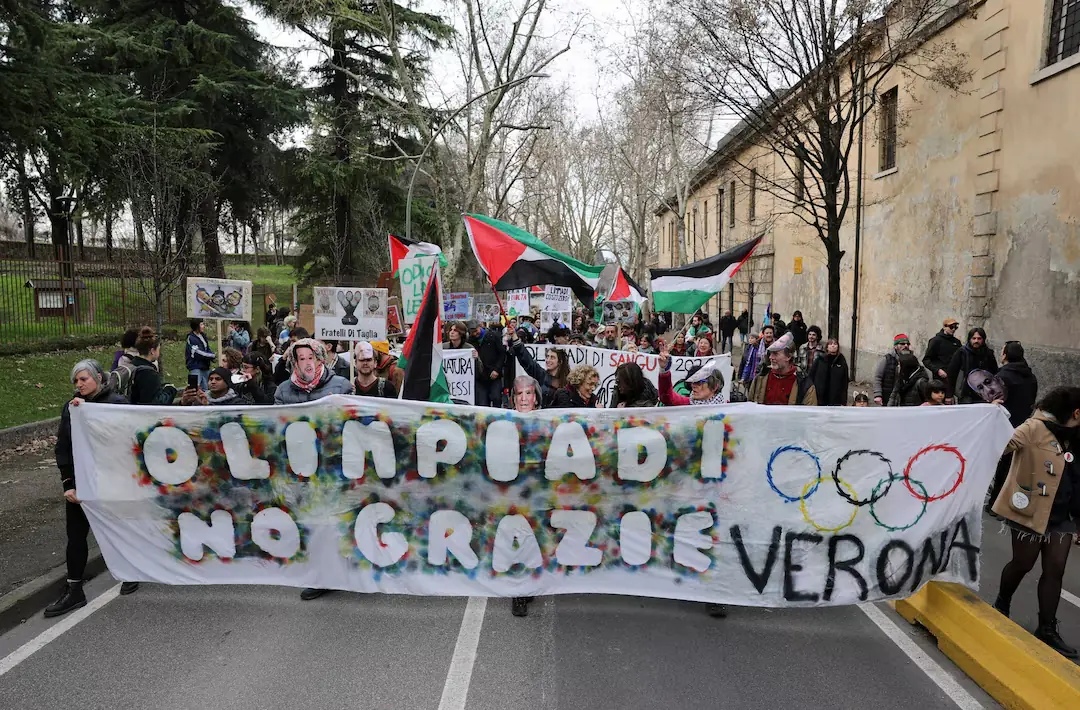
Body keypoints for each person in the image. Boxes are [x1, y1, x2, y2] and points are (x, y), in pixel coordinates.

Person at [990, 386, 1080, 658]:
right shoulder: (1033, 428)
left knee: (1055, 570)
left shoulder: (1077, 437)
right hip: (1030, 510)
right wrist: (992, 418)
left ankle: (1047, 628)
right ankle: (1002, 604)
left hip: (1062, 516)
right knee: (1023, 564)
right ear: (1076, 412)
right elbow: (1000, 446)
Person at [46, 359, 137, 617]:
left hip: (110, 480)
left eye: (83, 379)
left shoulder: (117, 403)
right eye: (75, 381)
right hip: (80, 482)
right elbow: (63, 447)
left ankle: (130, 571)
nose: (79, 384)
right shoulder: (71, 407)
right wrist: (68, 483)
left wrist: (90, 412)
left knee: (117, 529)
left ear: (98, 377)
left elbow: (125, 438)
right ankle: (74, 590)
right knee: (75, 536)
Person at [508, 374, 544, 617]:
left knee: (535, 539)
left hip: (539, 492)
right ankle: (518, 593)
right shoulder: (501, 421)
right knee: (517, 539)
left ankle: (529, 583)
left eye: (528, 393)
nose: (523, 398)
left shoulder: (547, 423)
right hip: (512, 492)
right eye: (518, 394)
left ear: (536, 398)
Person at [274, 338, 353, 405]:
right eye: (302, 359)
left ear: (320, 360)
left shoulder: (341, 386)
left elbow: (352, 418)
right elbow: (277, 420)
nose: (307, 363)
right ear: (296, 363)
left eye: (310, 358)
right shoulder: (283, 391)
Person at [748, 333, 817, 405]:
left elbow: (810, 412)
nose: (770, 357)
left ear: (788, 357)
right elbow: (750, 407)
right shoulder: (761, 378)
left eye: (775, 354)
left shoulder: (803, 384)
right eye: (770, 353)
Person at [508, 331, 570, 408]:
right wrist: (514, 336)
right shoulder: (541, 375)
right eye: (547, 356)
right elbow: (527, 361)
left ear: (560, 362)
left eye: (552, 357)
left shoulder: (569, 380)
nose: (548, 360)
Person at [658, 349, 727, 407]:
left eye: (699, 382)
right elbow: (667, 398)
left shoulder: (729, 410)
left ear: (715, 386)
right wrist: (664, 370)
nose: (693, 385)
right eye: (693, 382)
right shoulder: (689, 402)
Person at [946, 327, 998, 404]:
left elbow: (994, 372)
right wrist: (949, 395)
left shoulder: (988, 353)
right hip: (965, 393)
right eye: (974, 338)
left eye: (979, 338)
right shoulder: (961, 352)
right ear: (970, 339)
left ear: (983, 339)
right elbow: (951, 373)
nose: (976, 341)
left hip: (984, 393)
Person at [128, 327, 176, 405]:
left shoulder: (132, 365)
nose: (159, 353)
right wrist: (170, 390)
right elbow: (155, 403)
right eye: (158, 349)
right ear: (152, 351)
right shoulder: (149, 373)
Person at [997, 341, 1038, 427]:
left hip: (1004, 423)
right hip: (1022, 424)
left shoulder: (1001, 377)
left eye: (1002, 351)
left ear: (1005, 356)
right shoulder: (1031, 376)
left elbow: (996, 403)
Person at [469, 320, 507, 407]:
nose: (475, 334)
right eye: (472, 332)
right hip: (480, 377)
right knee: (482, 403)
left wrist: (497, 369)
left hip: (494, 375)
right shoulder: (471, 341)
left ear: (480, 326)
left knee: (496, 398)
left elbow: (502, 354)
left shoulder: (493, 336)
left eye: (476, 331)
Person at [922, 318, 963, 398]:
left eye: (956, 327)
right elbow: (926, 360)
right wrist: (938, 370)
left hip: (955, 379)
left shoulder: (957, 342)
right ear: (944, 327)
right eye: (951, 327)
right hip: (941, 381)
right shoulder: (935, 341)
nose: (954, 329)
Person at [181, 367, 253, 406]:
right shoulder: (201, 400)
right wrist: (184, 403)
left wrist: (207, 406)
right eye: (210, 379)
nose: (213, 382)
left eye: (218, 379)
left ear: (227, 383)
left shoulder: (237, 403)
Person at [809, 339, 849, 407]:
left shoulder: (842, 361)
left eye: (835, 344)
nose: (833, 346)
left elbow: (844, 382)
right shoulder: (820, 359)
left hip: (835, 397)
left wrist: (843, 401)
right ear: (827, 347)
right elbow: (811, 376)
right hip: (820, 396)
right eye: (831, 344)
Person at [872, 334, 910, 405]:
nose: (906, 346)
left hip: (905, 398)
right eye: (902, 344)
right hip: (888, 396)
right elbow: (878, 377)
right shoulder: (886, 359)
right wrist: (878, 394)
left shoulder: (912, 360)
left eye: (907, 344)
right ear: (895, 346)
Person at [185, 319, 215, 390]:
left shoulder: (203, 335)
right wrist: (211, 356)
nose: (203, 326)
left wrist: (211, 355)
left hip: (205, 367)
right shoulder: (191, 338)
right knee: (193, 388)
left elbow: (207, 348)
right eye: (201, 324)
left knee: (207, 389)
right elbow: (197, 352)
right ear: (196, 326)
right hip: (194, 367)